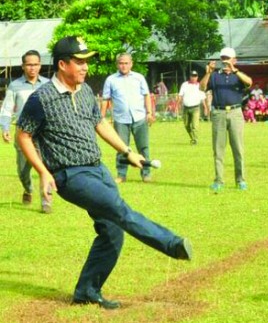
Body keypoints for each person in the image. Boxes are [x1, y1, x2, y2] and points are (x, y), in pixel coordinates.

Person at [16, 36, 192, 310]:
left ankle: (87, 290)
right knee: (118, 209)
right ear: (62, 64)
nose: (85, 67)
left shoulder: (85, 91)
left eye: (86, 61)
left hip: (97, 168)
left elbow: (100, 124)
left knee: (112, 230)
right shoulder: (42, 98)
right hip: (70, 176)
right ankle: (172, 244)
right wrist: (43, 172)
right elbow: (23, 135)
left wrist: (127, 151)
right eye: (79, 61)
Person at [0, 50, 51, 213]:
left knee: (45, 167)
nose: (32, 68)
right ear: (23, 66)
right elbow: (7, 109)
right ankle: (28, 189)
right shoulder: (15, 86)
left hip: (43, 133)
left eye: (35, 64)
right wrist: (5, 127)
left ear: (40, 65)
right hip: (23, 134)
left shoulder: (48, 85)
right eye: (29, 64)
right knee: (23, 171)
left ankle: (46, 201)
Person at [200, 47, 252, 192]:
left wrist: (235, 70)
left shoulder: (238, 75)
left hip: (235, 112)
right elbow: (202, 87)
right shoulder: (215, 76)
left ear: (234, 59)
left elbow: (249, 82)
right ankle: (219, 180)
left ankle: (240, 180)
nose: (224, 61)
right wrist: (208, 73)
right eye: (222, 58)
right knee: (218, 149)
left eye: (227, 58)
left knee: (238, 148)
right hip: (218, 113)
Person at [101, 53, 155, 183]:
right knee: (121, 148)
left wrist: (149, 113)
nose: (123, 66)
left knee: (143, 147)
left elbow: (147, 95)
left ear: (131, 64)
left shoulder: (139, 78)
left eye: (126, 63)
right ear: (117, 64)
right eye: (121, 63)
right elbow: (105, 99)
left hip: (139, 118)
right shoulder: (111, 80)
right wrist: (101, 117)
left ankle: (146, 173)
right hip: (121, 120)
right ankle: (121, 174)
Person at [177, 70, 208, 145]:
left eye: (195, 76)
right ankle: (192, 137)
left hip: (195, 108)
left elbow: (203, 98)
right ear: (190, 77)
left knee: (194, 125)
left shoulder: (199, 85)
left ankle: (195, 140)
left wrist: (205, 108)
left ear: (197, 77)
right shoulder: (185, 84)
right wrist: (177, 105)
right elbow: (180, 95)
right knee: (187, 125)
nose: (193, 78)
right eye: (192, 76)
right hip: (186, 108)